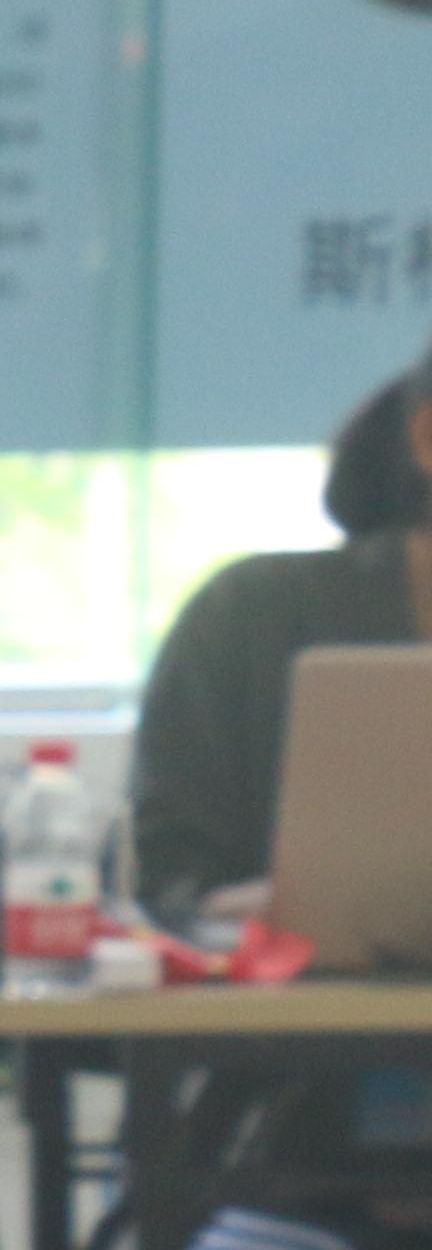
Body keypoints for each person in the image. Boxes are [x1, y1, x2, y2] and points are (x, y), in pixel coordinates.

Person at [133, 352, 432, 923]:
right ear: (427, 439)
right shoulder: (249, 618)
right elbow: (163, 893)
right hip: (302, 980)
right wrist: (271, 913)